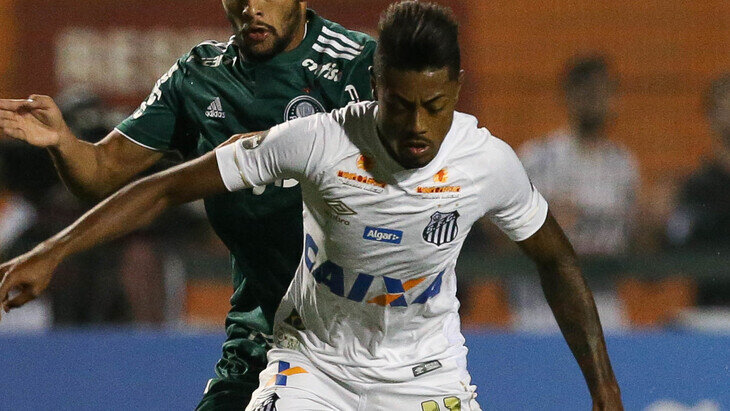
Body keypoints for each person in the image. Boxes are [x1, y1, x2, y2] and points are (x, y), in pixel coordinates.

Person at [0, 1, 622, 409]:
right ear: (378, 93)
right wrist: (58, 209)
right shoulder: (288, 124)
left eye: (432, 107)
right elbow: (138, 182)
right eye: (400, 105)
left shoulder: (461, 142)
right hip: (293, 343)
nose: (415, 124)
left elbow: (553, 257)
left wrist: (604, 388)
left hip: (418, 366)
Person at [0, 0, 375, 408]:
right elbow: (104, 173)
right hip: (264, 337)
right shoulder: (200, 77)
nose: (252, 8)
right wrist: (63, 144)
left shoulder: (362, 66)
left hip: (365, 337)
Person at [519, 55, 639, 257]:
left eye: (601, 91)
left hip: (605, 275)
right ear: (568, 95)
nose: (593, 100)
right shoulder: (536, 157)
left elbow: (632, 239)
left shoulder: (623, 163)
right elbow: (505, 230)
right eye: (586, 90)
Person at [666, 73, 730, 305]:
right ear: (710, 116)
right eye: (723, 106)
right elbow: (673, 247)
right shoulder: (695, 187)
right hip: (710, 308)